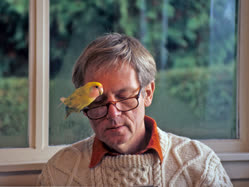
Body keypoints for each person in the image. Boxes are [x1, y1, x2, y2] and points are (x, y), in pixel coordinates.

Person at [37, 33, 232, 186]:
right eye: (98, 101)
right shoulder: (59, 173)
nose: (113, 114)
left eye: (124, 97)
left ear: (148, 93)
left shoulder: (200, 165)